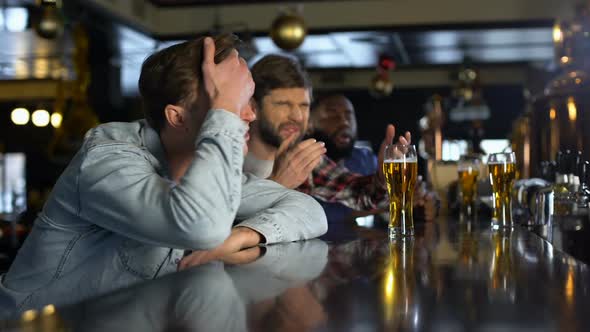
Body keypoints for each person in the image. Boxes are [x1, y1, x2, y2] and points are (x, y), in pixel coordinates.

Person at [0, 35, 327, 306]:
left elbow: (310, 211)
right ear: (177, 117)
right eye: (229, 102)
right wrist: (225, 110)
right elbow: (201, 226)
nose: (249, 117)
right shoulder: (107, 159)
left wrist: (242, 235)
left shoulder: (203, 166)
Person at [245, 54, 408, 212]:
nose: (298, 116)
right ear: (253, 107)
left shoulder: (302, 158)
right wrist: (277, 183)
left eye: (303, 105)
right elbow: (222, 226)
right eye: (283, 104)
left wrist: (383, 176)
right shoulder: (228, 154)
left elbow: (361, 196)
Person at [309, 94, 439, 220]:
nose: (344, 121)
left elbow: (376, 198)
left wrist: (421, 203)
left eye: (349, 115)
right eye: (332, 114)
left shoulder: (365, 158)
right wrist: (394, 201)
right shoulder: (304, 163)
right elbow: (321, 217)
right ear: (309, 124)